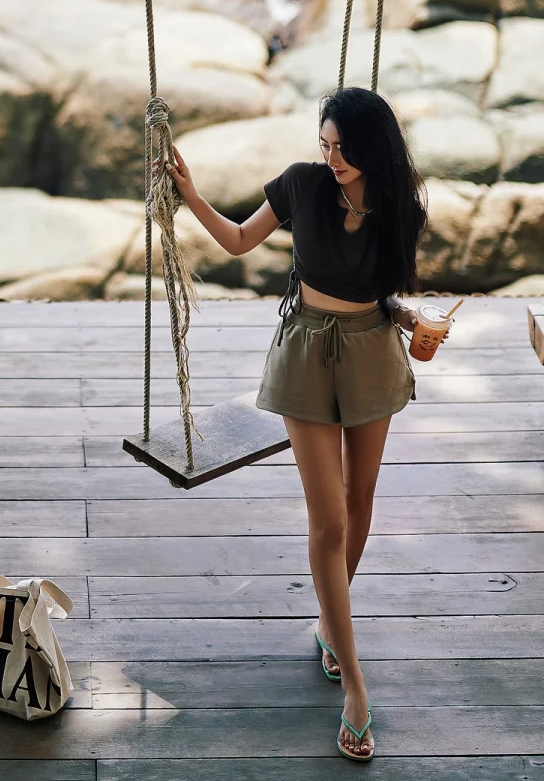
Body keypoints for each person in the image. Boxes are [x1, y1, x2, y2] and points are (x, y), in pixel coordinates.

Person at [162, 86, 438, 764]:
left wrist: (417, 326)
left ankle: (327, 628)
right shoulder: (302, 186)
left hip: (373, 348)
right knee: (330, 522)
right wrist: (190, 194)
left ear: (372, 147)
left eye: (343, 148)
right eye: (325, 145)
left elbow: (386, 295)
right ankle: (356, 683)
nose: (332, 157)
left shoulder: (402, 206)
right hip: (306, 351)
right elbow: (235, 240)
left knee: (362, 500)